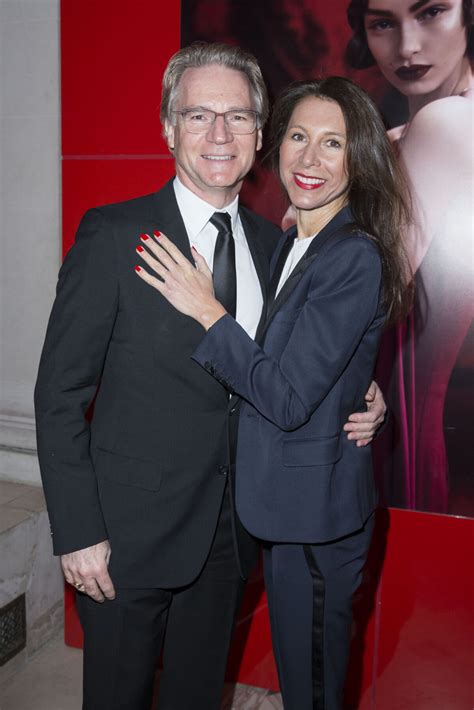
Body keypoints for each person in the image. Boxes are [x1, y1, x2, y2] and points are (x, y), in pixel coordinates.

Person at [34, 44, 385, 709]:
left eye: (238, 116)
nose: (219, 134)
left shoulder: (277, 244)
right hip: (125, 542)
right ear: (169, 128)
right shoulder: (114, 236)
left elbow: (299, 363)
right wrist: (78, 532)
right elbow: (57, 398)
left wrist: (371, 393)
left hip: (231, 538)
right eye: (198, 115)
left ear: (260, 135)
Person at [134, 77, 412, 709]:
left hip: (315, 517)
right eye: (297, 136)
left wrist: (209, 313)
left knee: (311, 687)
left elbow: (286, 398)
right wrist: (364, 387)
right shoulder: (293, 239)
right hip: (284, 507)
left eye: (333, 143)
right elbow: (308, 357)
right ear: (274, 144)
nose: (309, 159)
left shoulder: (352, 255)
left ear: (359, 157)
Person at [346, 0, 474, 511]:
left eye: (431, 12)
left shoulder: (445, 122)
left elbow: (365, 289)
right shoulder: (412, 133)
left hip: (398, 430)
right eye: (382, 23)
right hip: (402, 428)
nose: (407, 47)